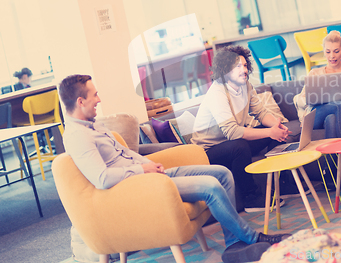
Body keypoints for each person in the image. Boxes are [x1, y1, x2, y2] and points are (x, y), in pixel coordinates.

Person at [60, 74, 290, 263]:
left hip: (148, 175)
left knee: (222, 173)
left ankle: (233, 244)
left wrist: (146, 163)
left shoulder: (93, 125)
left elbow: (126, 153)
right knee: (211, 186)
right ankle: (252, 238)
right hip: (138, 187)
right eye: (94, 94)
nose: (99, 99)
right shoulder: (78, 137)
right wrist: (143, 171)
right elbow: (102, 178)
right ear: (80, 102)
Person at [191, 46, 291, 212]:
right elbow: (232, 132)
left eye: (245, 65)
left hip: (231, 143)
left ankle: (283, 185)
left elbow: (261, 112)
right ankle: (250, 198)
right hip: (207, 152)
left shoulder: (246, 86)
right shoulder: (217, 93)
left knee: (273, 135)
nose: (244, 70)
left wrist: (277, 127)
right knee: (240, 145)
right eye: (238, 66)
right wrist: (269, 131)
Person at [293, 30, 341, 138]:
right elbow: (300, 99)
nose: (332, 56)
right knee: (339, 105)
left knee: (331, 118)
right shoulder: (314, 73)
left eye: (336, 51)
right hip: (317, 115)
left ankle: (332, 155)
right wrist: (311, 98)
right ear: (324, 52)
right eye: (328, 52)